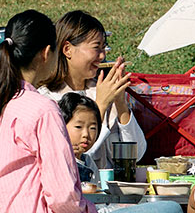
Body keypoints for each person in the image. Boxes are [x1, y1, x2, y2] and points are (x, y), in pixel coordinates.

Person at [0, 10, 183, 213]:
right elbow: (63, 198)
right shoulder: (43, 108)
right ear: (47, 53)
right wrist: (93, 212)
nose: (102, 55)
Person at [38, 11, 144, 174]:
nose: (102, 56)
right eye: (96, 47)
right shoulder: (47, 98)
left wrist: (120, 102)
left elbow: (137, 154)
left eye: (104, 48)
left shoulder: (102, 89)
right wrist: (100, 105)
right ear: (67, 49)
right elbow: (76, 155)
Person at [57, 93, 103, 183]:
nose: (86, 134)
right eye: (78, 127)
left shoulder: (89, 162)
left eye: (92, 128)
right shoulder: (55, 159)